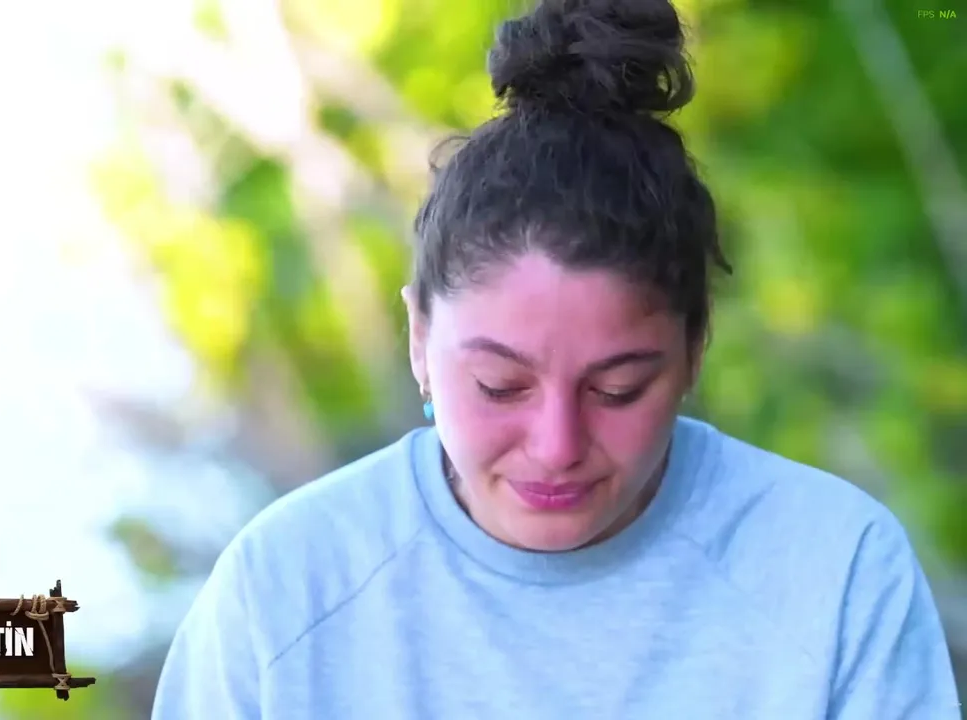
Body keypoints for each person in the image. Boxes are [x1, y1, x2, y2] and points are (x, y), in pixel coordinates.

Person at [151, 0, 962, 716]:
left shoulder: (831, 566)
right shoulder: (284, 589)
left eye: (618, 389)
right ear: (419, 341)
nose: (557, 446)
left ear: (694, 350)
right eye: (500, 385)